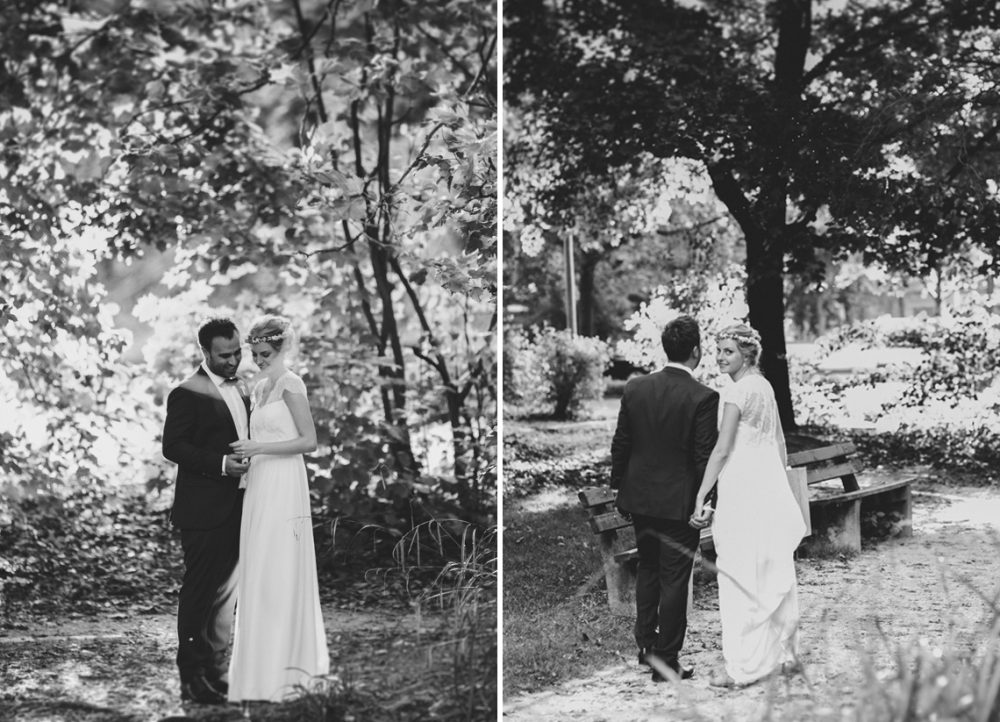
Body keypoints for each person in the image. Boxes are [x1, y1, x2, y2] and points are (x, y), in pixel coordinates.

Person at [690, 324, 807, 687]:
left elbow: (723, 449)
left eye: (728, 351)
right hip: (767, 482)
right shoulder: (765, 386)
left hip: (743, 486)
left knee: (740, 568)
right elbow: (778, 441)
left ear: (746, 354)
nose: (721, 356)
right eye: (719, 350)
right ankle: (786, 655)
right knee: (771, 564)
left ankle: (743, 667)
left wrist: (702, 494)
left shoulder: (736, 390)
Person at [610, 314, 720, 682]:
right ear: (696, 350)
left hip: (640, 500)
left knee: (650, 569)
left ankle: (646, 647)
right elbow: (705, 455)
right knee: (675, 579)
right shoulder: (703, 396)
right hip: (679, 504)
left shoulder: (636, 388)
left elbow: (622, 442)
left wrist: (618, 488)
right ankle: (666, 660)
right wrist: (707, 501)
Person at [227, 315, 330, 702]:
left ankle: (288, 670)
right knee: (260, 569)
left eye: (265, 353)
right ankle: (258, 673)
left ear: (283, 348)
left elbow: (308, 441)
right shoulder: (258, 388)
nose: (258, 360)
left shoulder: (291, 384)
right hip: (259, 484)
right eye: (254, 354)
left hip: (285, 482)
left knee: (281, 567)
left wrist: (259, 448)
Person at [162, 317, 250, 705]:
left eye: (237, 353)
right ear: (205, 353)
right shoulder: (187, 392)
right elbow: (173, 446)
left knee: (224, 595)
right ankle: (191, 678)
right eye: (224, 356)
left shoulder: (244, 385)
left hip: (243, 505)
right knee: (199, 593)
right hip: (204, 510)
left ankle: (215, 672)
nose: (233, 361)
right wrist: (219, 464)